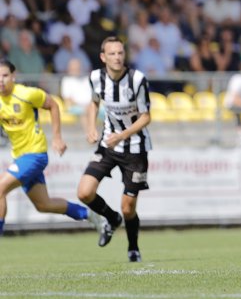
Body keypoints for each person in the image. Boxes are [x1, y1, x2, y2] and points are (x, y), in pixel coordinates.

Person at [0, 59, 101, 235]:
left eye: (5, 75)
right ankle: (90, 215)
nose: (1, 80)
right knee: (43, 204)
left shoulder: (26, 94)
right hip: (19, 156)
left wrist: (57, 138)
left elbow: (53, 105)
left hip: (35, 155)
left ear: (13, 77)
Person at [77, 36, 153, 262]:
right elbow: (93, 103)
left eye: (120, 53)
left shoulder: (137, 80)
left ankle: (133, 248)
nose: (117, 57)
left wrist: (122, 135)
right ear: (103, 57)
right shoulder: (95, 78)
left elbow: (146, 117)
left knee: (128, 207)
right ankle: (111, 218)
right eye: (112, 54)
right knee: (84, 192)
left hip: (135, 149)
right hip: (107, 145)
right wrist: (91, 128)